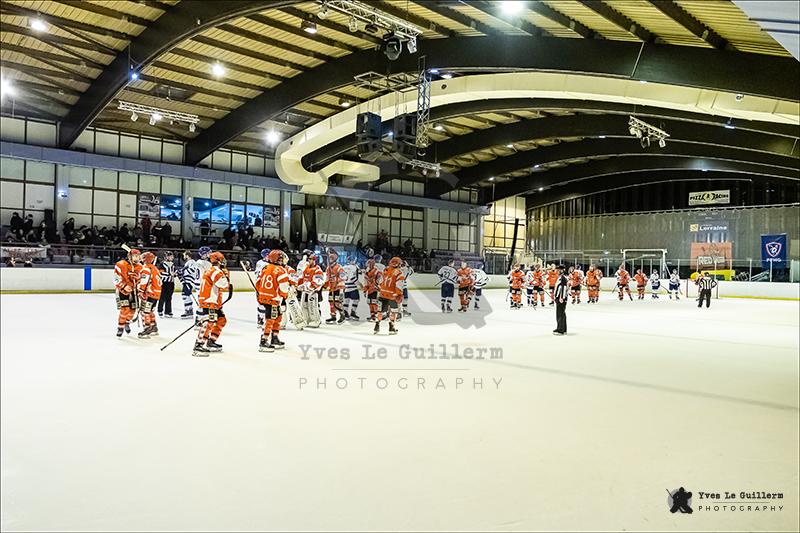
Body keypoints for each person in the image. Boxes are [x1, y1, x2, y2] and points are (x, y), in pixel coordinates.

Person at [193, 251, 230, 356]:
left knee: (221, 320)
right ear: (218, 260)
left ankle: (211, 341)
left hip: (212, 301)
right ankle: (198, 345)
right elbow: (224, 285)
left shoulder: (213, 270)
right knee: (208, 323)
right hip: (209, 301)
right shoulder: (215, 271)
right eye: (222, 259)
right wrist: (226, 275)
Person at [256, 250, 290, 352]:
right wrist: (285, 295)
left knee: (278, 317)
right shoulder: (281, 270)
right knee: (270, 320)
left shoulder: (265, 267)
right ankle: (264, 341)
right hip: (273, 299)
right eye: (281, 258)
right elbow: (284, 288)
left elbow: (258, 282)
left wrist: (260, 294)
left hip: (264, 297)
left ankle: (274, 338)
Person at [113, 248, 142, 338]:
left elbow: (142, 279)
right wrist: (124, 286)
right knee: (125, 309)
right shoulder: (121, 264)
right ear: (130, 256)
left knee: (133, 310)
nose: (137, 258)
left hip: (134, 291)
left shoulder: (140, 267)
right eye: (135, 256)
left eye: (138, 256)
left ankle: (127, 322)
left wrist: (138, 284)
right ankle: (120, 327)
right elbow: (116, 278)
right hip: (122, 290)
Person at [373, 256, 405, 335]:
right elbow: (399, 286)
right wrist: (399, 294)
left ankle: (377, 326)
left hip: (383, 294)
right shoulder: (400, 273)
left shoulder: (386, 270)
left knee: (380, 311)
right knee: (393, 312)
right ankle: (391, 327)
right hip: (393, 296)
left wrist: (380, 289)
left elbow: (380, 281)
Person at [137, 252, 162, 338]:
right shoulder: (154, 268)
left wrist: (141, 291)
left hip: (149, 293)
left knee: (145, 312)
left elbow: (144, 281)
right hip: (156, 294)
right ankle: (154, 328)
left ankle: (147, 329)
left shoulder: (146, 268)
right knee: (150, 311)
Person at [299, 253, 324, 328]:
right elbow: (302, 278)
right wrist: (300, 285)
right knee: (304, 306)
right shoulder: (306, 268)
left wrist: (310, 286)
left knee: (313, 306)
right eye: (309, 259)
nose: (309, 260)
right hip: (305, 291)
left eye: (311, 259)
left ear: (314, 260)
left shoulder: (318, 269)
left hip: (313, 292)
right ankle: (306, 319)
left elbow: (318, 281)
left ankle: (315, 321)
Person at [325, 250, 346, 324]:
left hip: (338, 288)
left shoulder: (339, 268)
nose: (329, 260)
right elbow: (327, 278)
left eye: (331, 259)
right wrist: (325, 284)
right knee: (331, 302)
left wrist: (341, 290)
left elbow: (343, 278)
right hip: (331, 288)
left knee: (337, 302)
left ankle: (342, 315)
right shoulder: (328, 268)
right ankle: (333, 316)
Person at [179, 250, 198, 319]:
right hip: (187, 281)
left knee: (185, 295)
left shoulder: (191, 262)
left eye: (184, 255)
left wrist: (183, 272)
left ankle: (189, 311)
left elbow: (192, 270)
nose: (184, 257)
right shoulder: (188, 262)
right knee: (185, 295)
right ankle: (188, 310)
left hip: (189, 281)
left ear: (187, 255)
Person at [342, 256, 362, 320]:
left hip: (345, 286)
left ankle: (345, 313)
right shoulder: (353, 267)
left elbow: (341, 276)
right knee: (356, 299)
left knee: (346, 300)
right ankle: (353, 312)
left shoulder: (344, 267)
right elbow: (352, 277)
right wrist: (359, 284)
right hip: (352, 287)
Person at [157, 251, 176, 318]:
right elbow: (161, 273)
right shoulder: (162, 264)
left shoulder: (172, 264)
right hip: (164, 283)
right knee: (162, 297)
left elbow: (175, 272)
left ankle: (168, 311)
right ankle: (160, 310)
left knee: (169, 298)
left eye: (172, 256)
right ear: (166, 257)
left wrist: (176, 274)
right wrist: (170, 274)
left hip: (171, 283)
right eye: (169, 256)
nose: (171, 257)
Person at [255, 248, 271, 327]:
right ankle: (261, 319)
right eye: (268, 255)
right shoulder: (266, 264)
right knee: (262, 304)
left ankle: (261, 320)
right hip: (262, 286)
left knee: (262, 303)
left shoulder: (259, 262)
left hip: (260, 285)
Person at [553, 265, 569, 335]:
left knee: (560, 314)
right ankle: (563, 328)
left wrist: (561, 297)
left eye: (558, 270)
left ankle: (560, 330)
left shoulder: (563, 278)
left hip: (561, 298)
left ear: (562, 270)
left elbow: (563, 288)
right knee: (561, 313)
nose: (557, 271)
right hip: (559, 297)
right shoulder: (560, 277)